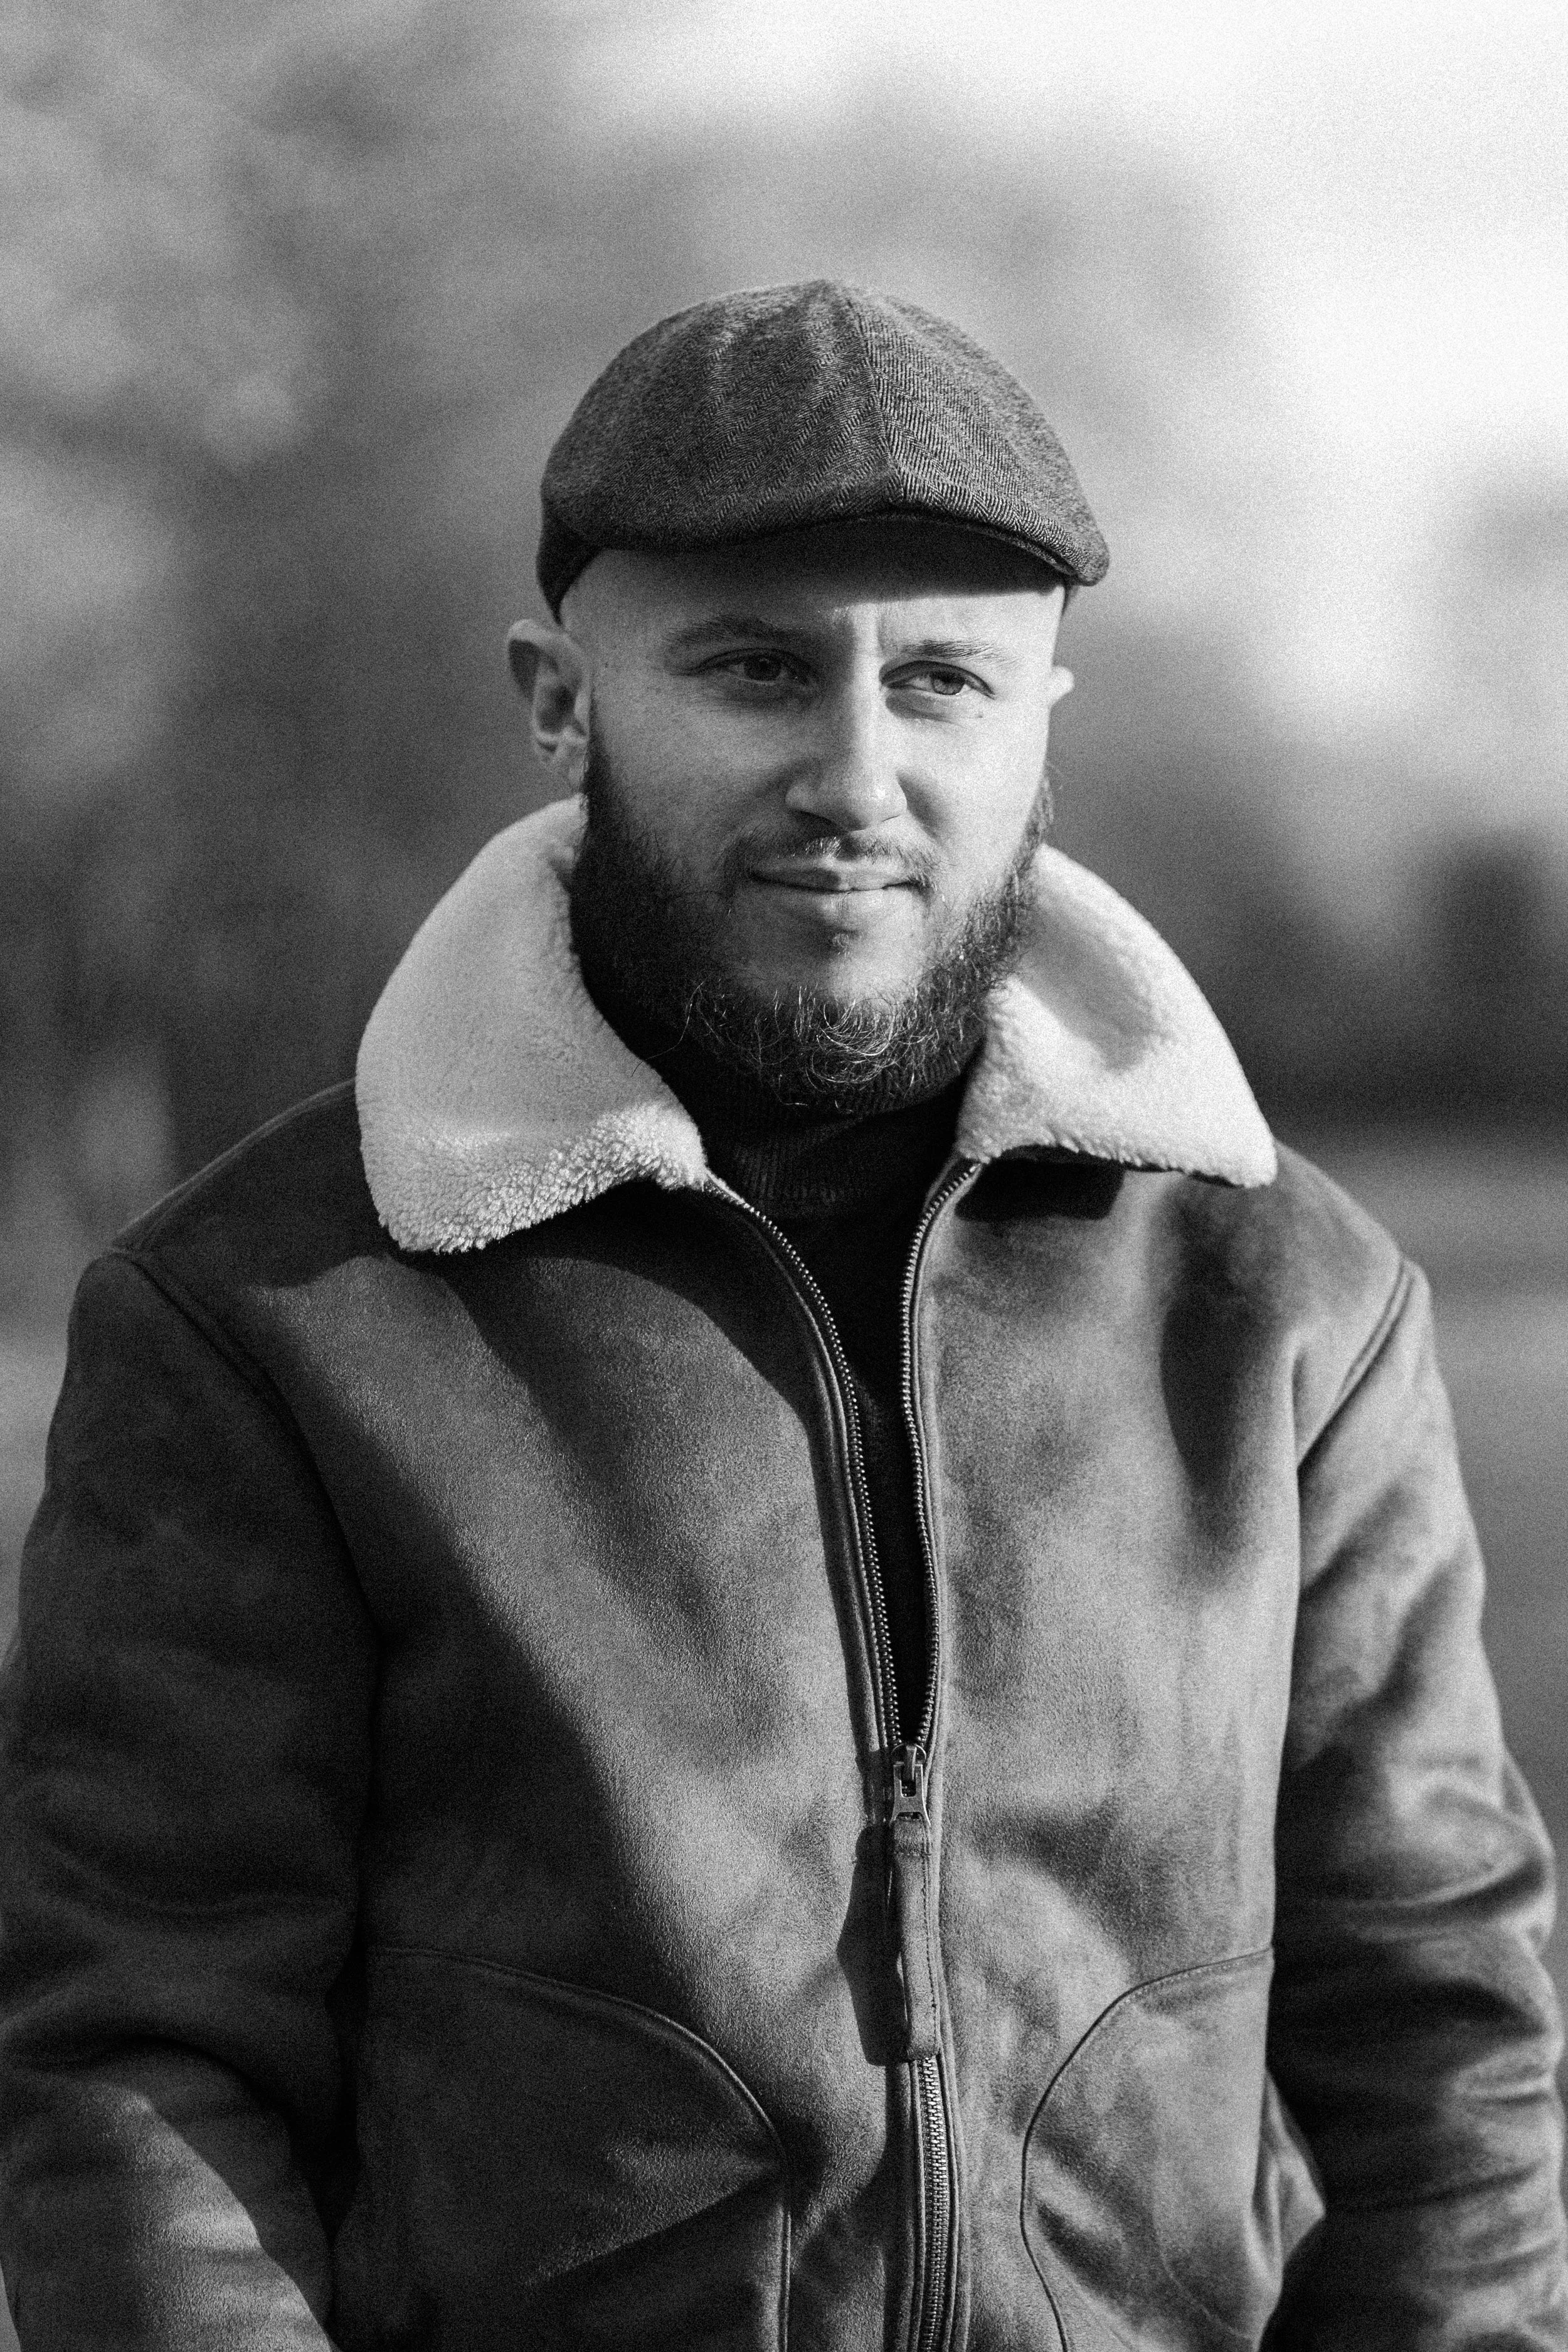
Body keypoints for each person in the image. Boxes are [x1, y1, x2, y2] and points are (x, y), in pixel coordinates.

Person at [0, 281, 1562, 2351]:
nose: (857, 771)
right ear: (559, 700)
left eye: (939, 681)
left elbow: (1438, 2031)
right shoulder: (265, 1315)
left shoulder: (1290, 1305)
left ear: (1040, 724)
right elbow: (137, 2062)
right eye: (753, 670)